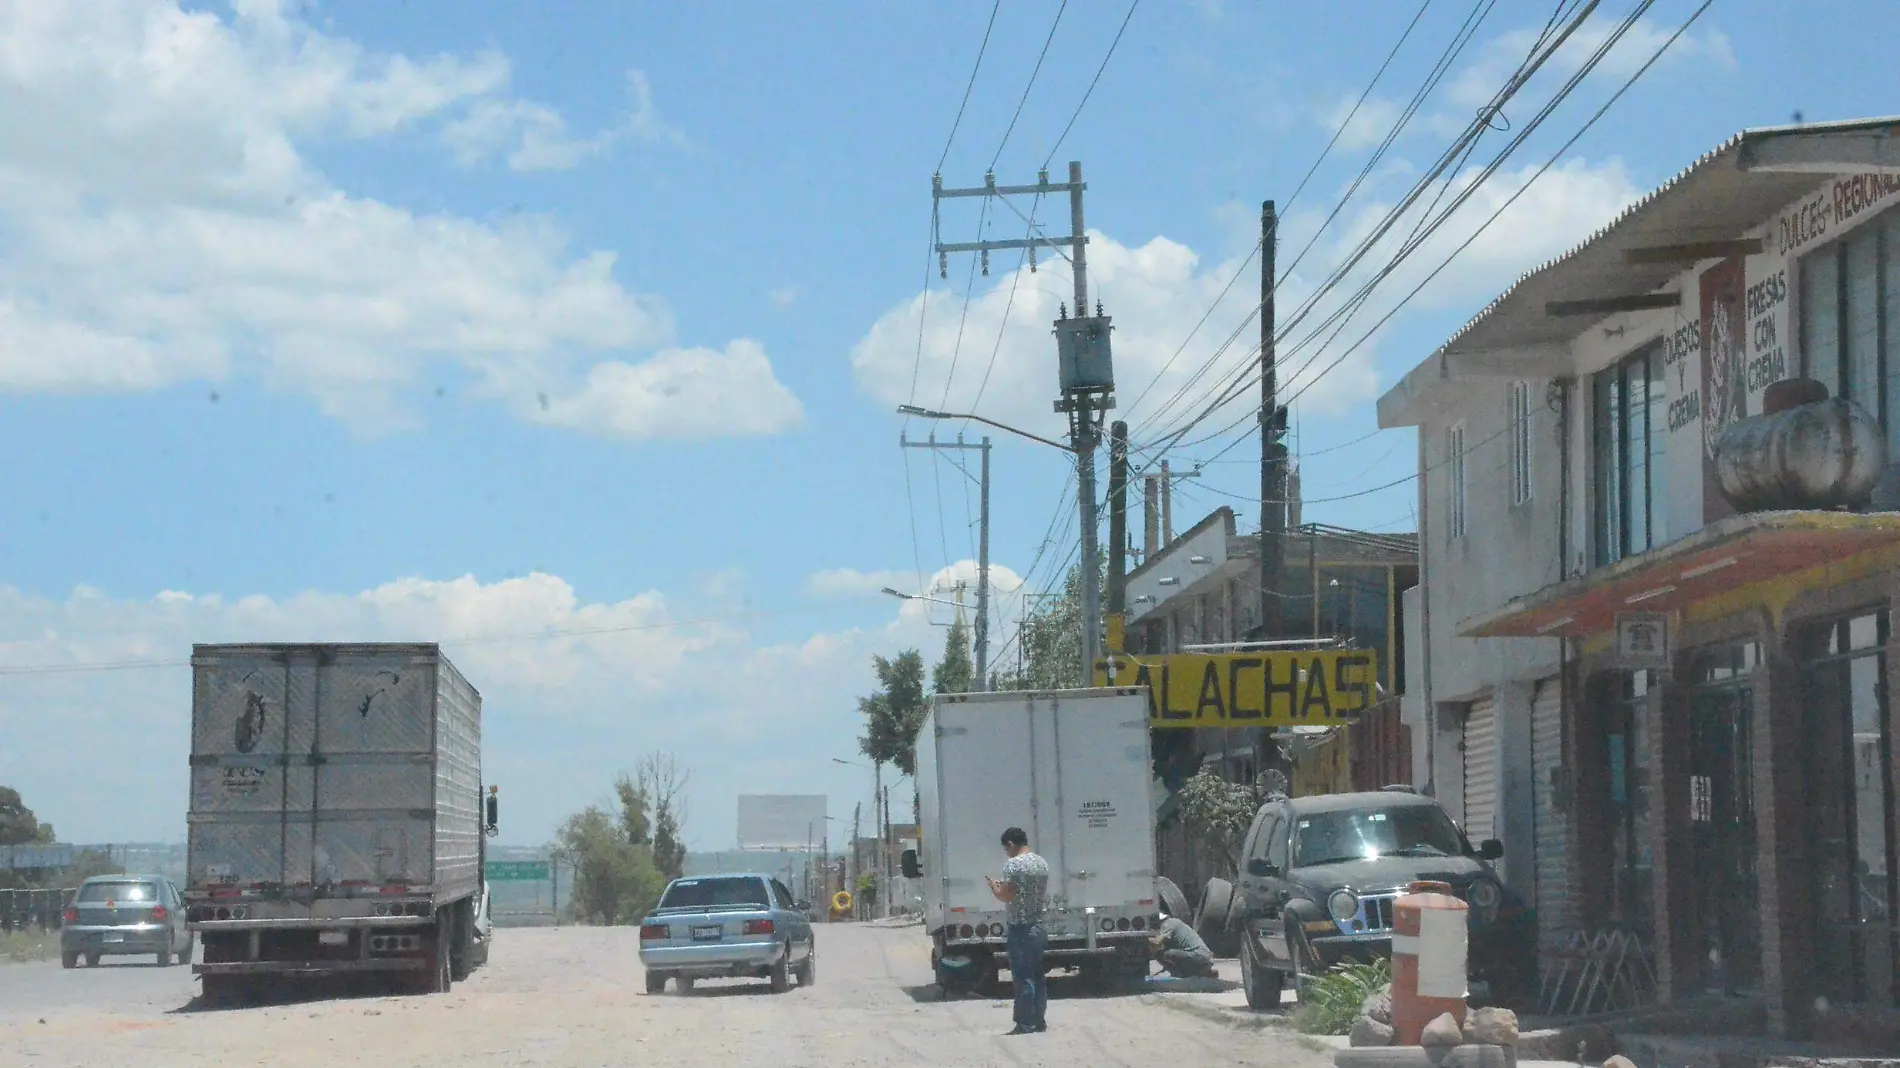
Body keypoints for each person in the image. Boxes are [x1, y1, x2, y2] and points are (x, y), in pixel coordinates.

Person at [985, 826, 1049, 1035]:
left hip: (1020, 927)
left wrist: (995, 887)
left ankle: (1025, 1022)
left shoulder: (1013, 865)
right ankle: (1039, 1020)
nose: (1007, 853)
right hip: (1038, 924)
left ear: (1011, 844)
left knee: (1023, 977)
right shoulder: (1041, 863)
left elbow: (1007, 895)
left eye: (1006, 848)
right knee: (1037, 975)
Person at [1149, 912, 1217, 978]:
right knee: (1164, 952)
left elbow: (1157, 942)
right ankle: (1200, 972)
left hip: (1199, 957)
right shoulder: (1174, 922)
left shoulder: (1168, 924)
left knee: (1166, 954)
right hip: (1204, 957)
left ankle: (1181, 975)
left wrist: (1143, 939)